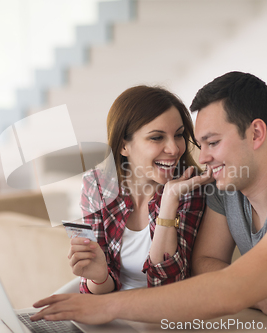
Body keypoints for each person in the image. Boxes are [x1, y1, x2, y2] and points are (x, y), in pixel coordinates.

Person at [31, 72, 267, 324]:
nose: (198, 156)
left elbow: (228, 290)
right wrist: (263, 295)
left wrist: (105, 307)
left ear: (255, 133)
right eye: (200, 143)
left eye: (211, 142)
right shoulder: (226, 189)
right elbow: (206, 262)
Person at [68, 85, 212, 295]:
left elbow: (167, 288)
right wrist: (98, 276)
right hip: (111, 306)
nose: (174, 149)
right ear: (123, 146)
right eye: (157, 137)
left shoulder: (191, 190)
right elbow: (94, 291)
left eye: (179, 135)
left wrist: (170, 200)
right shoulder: (96, 186)